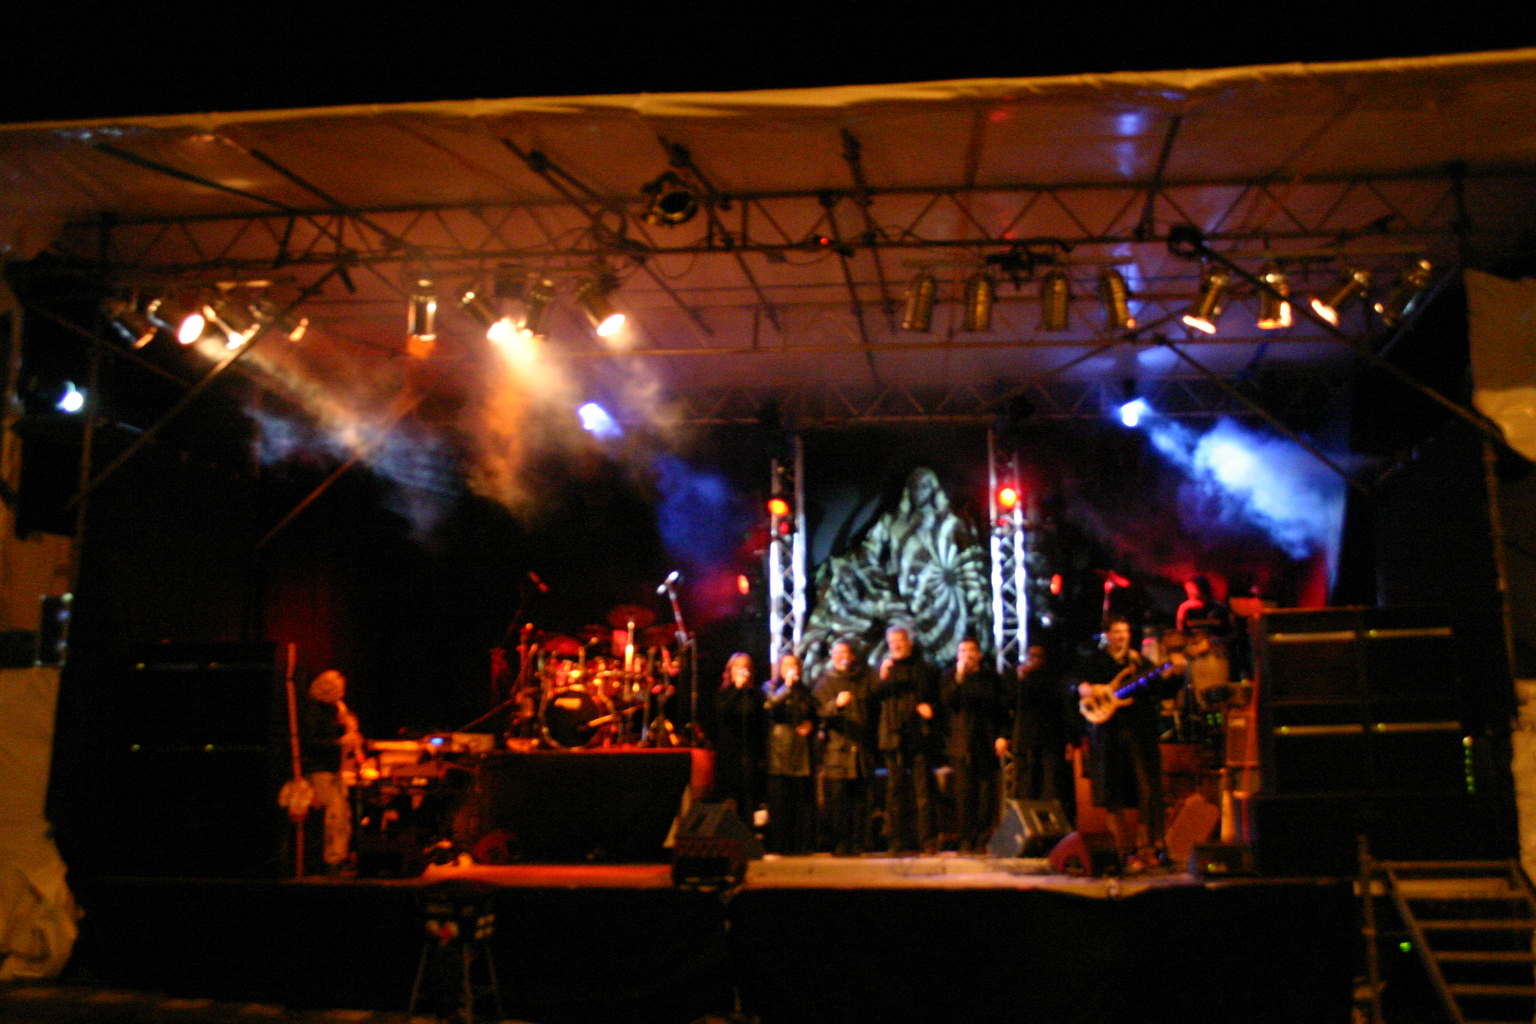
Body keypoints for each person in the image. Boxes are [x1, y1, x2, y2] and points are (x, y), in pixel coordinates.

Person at [1069, 618, 1187, 871]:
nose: (1122, 636)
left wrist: (1177, 674)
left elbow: (1161, 690)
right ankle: (1121, 850)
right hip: (1109, 735)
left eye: (1125, 632)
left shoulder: (1140, 663)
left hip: (1140, 732)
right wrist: (1083, 687)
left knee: (1147, 789)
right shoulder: (1094, 661)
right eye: (1117, 632)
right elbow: (1071, 682)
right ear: (1107, 635)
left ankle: (1148, 847)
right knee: (1113, 793)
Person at [870, 625, 940, 854]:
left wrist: (929, 709)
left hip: (919, 736)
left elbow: (936, 699)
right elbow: (872, 698)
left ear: (909, 641)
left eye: (900, 640)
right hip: (892, 736)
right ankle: (896, 840)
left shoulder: (925, 669)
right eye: (892, 642)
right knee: (895, 791)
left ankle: (927, 840)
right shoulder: (883, 669)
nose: (896, 645)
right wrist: (882, 676)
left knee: (923, 791)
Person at [999, 644, 1076, 824]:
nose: (1034, 660)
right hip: (1024, 740)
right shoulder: (1015, 676)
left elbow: (1064, 709)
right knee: (1025, 787)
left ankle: (1051, 827)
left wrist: (1070, 740)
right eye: (1031, 655)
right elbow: (1007, 705)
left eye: (1038, 656)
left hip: (1051, 741)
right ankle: (1028, 827)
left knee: (1050, 788)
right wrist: (1021, 680)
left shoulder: (1053, 678)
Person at [940, 637, 1003, 853]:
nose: (967, 654)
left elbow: (1002, 708)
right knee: (964, 794)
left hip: (985, 742)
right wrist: (959, 677)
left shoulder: (991, 678)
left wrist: (1002, 736)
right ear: (958, 655)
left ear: (979, 654)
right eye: (963, 651)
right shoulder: (950, 677)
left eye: (971, 650)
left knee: (985, 795)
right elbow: (948, 702)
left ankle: (983, 839)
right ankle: (966, 839)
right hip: (960, 744)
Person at [814, 639, 875, 855]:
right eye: (838, 653)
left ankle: (859, 842)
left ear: (853, 656)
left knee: (860, 801)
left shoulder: (863, 680)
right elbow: (817, 712)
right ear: (832, 656)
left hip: (861, 751)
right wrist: (836, 705)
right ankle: (840, 843)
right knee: (839, 802)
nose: (842, 657)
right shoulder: (824, 683)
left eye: (846, 653)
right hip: (837, 752)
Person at [299, 669, 363, 874]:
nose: (342, 695)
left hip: (335, 768)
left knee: (344, 815)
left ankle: (340, 857)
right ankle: (331, 860)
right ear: (328, 690)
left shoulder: (335, 710)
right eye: (339, 690)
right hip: (320, 769)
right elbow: (309, 743)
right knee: (333, 816)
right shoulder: (313, 710)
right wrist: (340, 741)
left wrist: (349, 728)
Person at [764, 653, 817, 854]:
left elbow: (814, 712)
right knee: (781, 802)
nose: (791, 667)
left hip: (801, 751)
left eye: (794, 664)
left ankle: (802, 845)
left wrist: (811, 724)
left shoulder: (806, 690)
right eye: (787, 664)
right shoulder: (770, 686)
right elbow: (772, 704)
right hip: (780, 751)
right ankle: (781, 845)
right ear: (780, 668)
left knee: (801, 801)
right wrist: (786, 686)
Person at [712, 653, 766, 820]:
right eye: (738, 666)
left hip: (749, 752)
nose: (743, 669)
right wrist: (737, 689)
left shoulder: (756, 695)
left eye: (746, 666)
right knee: (729, 797)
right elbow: (722, 713)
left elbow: (761, 724)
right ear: (731, 670)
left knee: (748, 797)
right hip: (729, 753)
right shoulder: (724, 693)